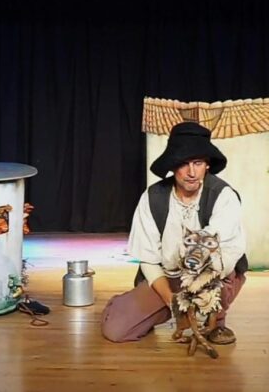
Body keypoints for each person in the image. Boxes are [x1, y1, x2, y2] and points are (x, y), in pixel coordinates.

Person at [101, 122, 247, 344]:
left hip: (211, 277)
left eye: (197, 163)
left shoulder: (223, 196)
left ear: (207, 165)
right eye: (183, 164)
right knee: (116, 330)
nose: (191, 173)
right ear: (172, 165)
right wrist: (174, 303)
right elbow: (148, 259)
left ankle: (215, 321)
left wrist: (198, 291)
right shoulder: (153, 198)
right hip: (168, 278)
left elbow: (224, 252)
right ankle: (135, 308)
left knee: (216, 279)